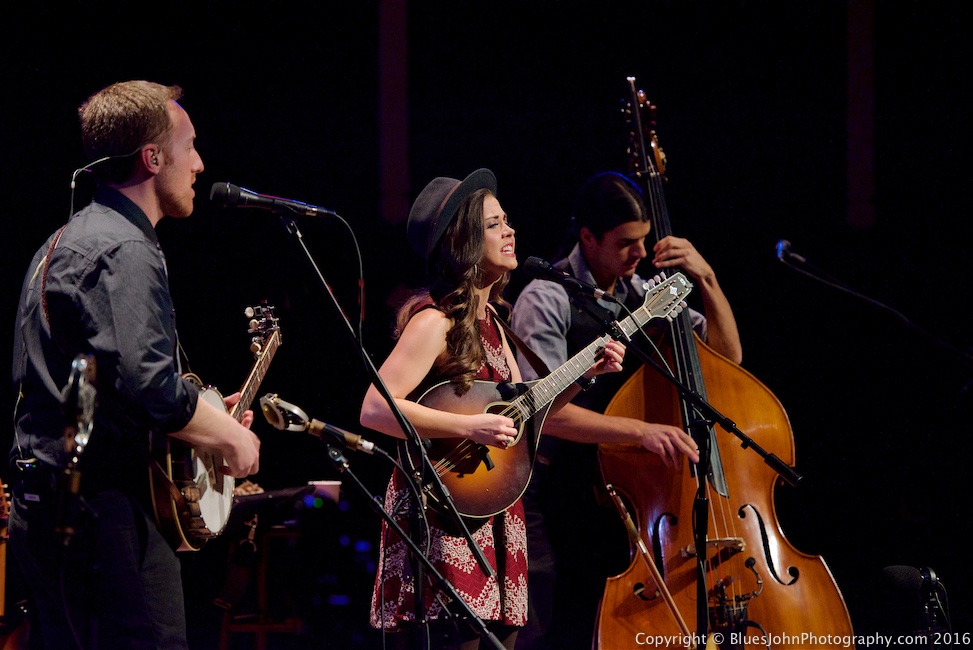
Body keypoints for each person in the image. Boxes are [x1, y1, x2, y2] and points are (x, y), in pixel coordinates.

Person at [8, 80, 261, 650]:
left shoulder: (61, 242)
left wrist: (201, 419)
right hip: (106, 518)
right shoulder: (124, 248)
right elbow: (149, 388)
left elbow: (98, 390)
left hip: (47, 507)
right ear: (152, 158)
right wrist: (228, 437)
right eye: (189, 146)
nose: (199, 164)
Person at [359, 169, 625, 650]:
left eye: (507, 221)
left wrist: (587, 373)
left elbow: (528, 416)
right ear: (462, 242)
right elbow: (376, 409)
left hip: (497, 505)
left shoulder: (498, 325)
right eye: (494, 224)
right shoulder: (434, 321)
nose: (510, 231)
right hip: (446, 510)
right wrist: (470, 426)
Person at [510, 171, 743, 649]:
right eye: (625, 243)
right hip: (557, 495)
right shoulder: (546, 298)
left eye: (643, 239)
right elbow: (543, 411)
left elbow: (727, 359)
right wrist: (640, 431)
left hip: (625, 495)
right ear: (588, 238)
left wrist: (707, 278)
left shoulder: (643, 294)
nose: (640, 252)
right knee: (556, 630)